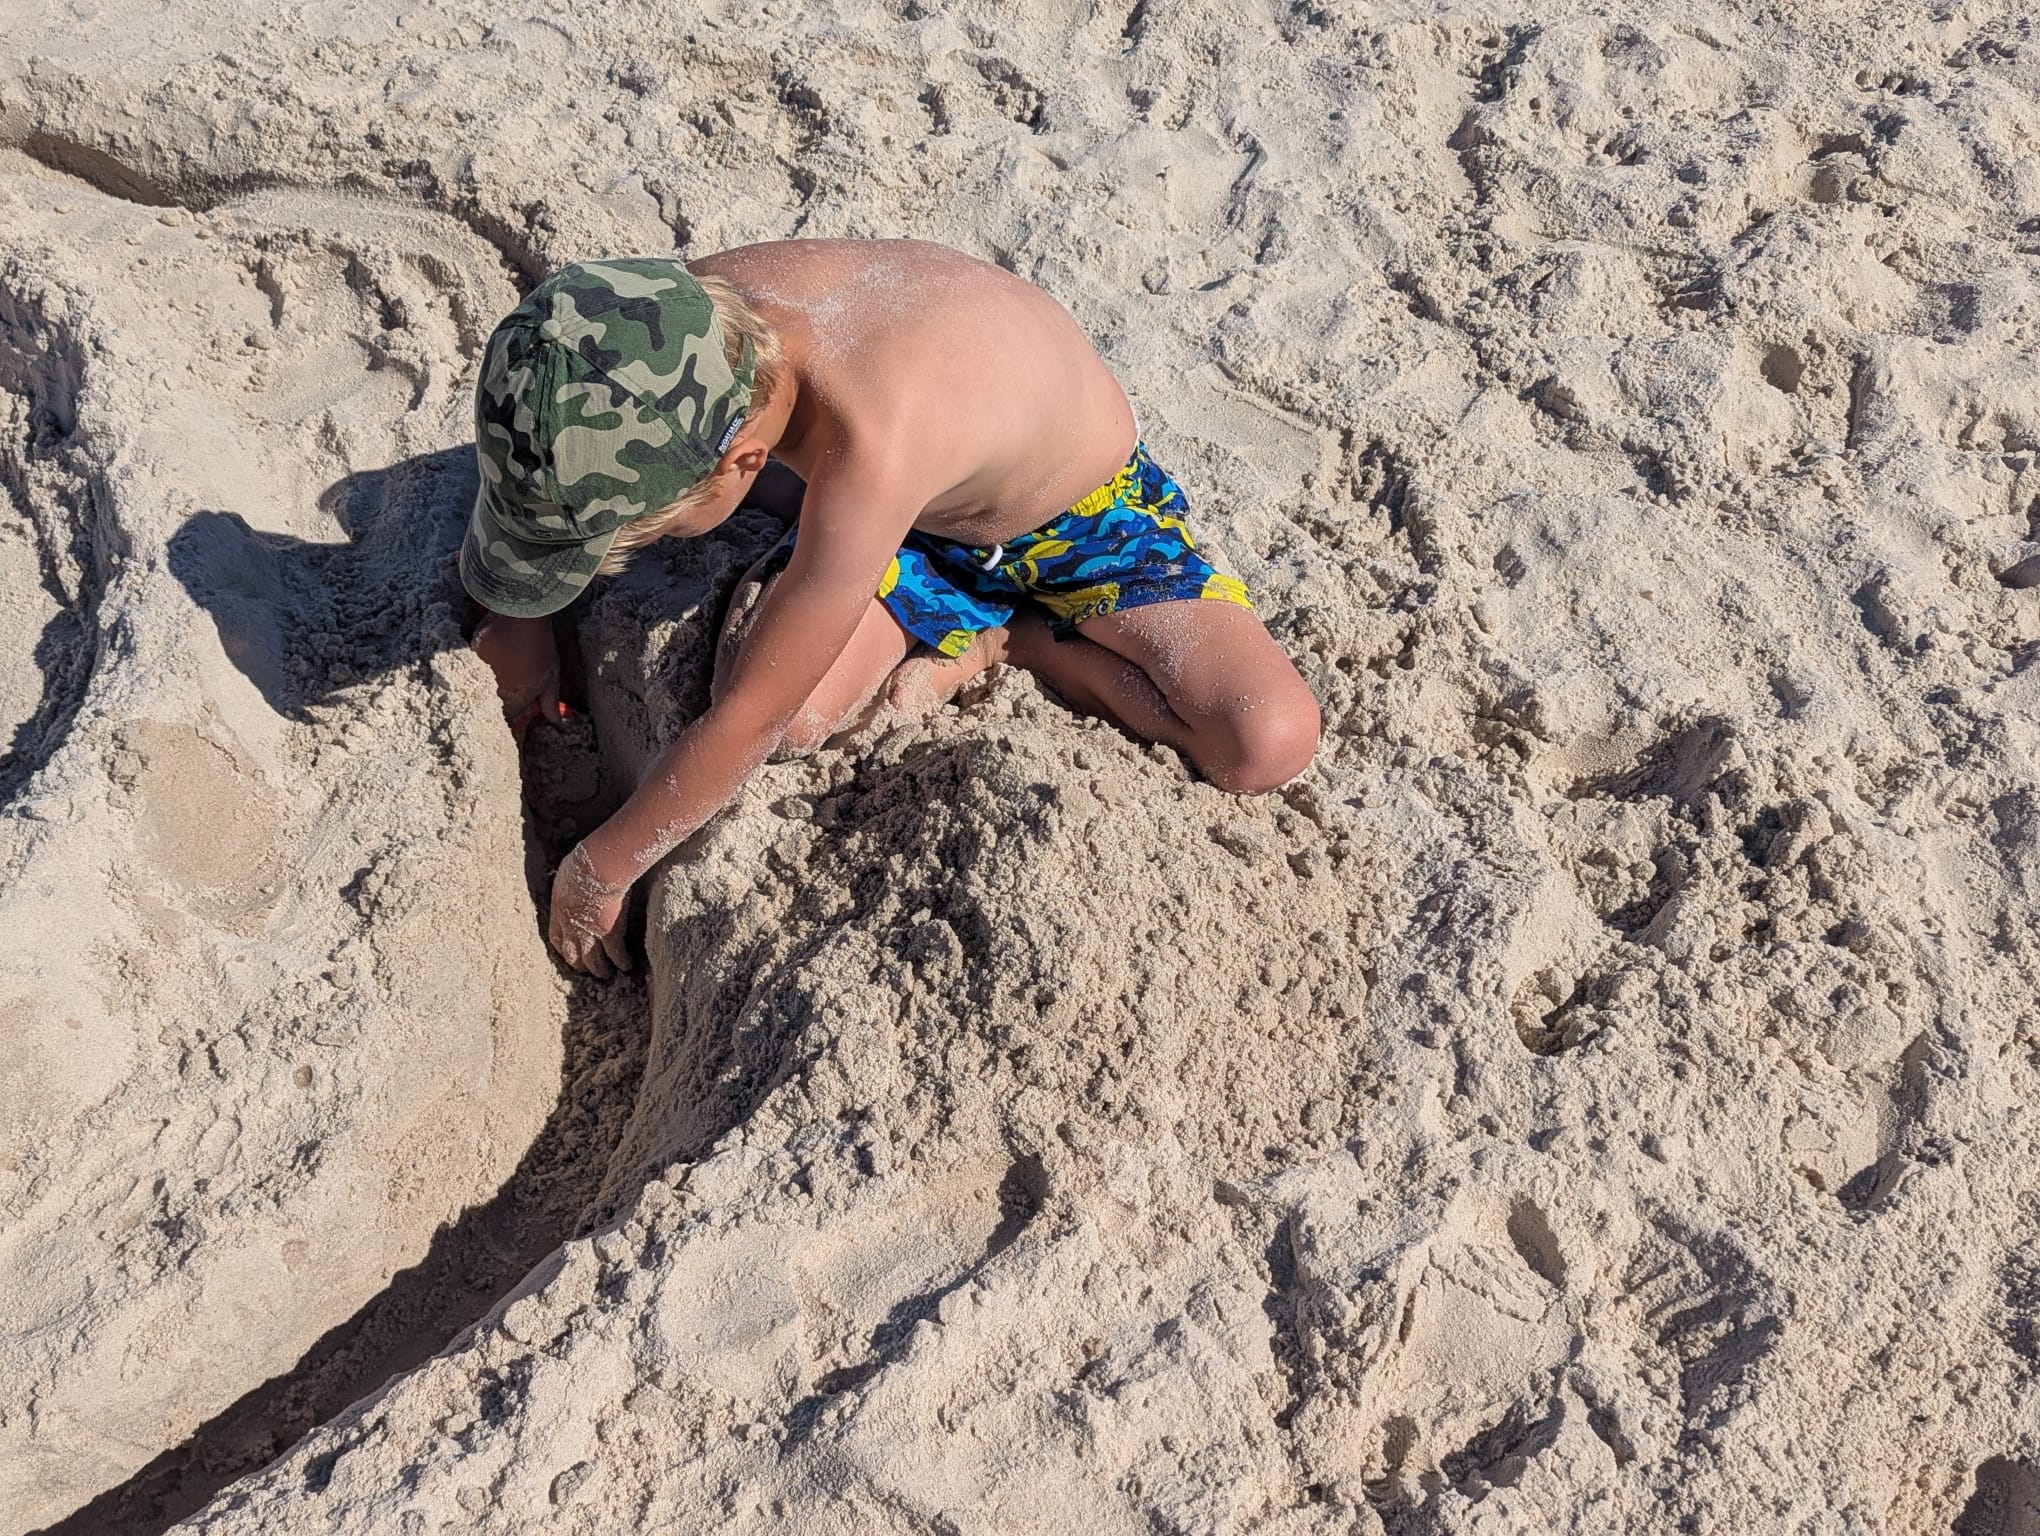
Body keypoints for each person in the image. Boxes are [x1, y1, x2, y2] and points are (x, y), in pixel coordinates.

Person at [463, 240, 1321, 976]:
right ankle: (940, 603)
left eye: (641, 533)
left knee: (1263, 742)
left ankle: (1015, 639)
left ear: (742, 464)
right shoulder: (652, 320)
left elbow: (750, 716)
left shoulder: (871, 443)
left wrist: (601, 869)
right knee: (810, 715)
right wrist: (521, 620)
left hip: (1077, 518)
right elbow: (540, 442)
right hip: (913, 517)